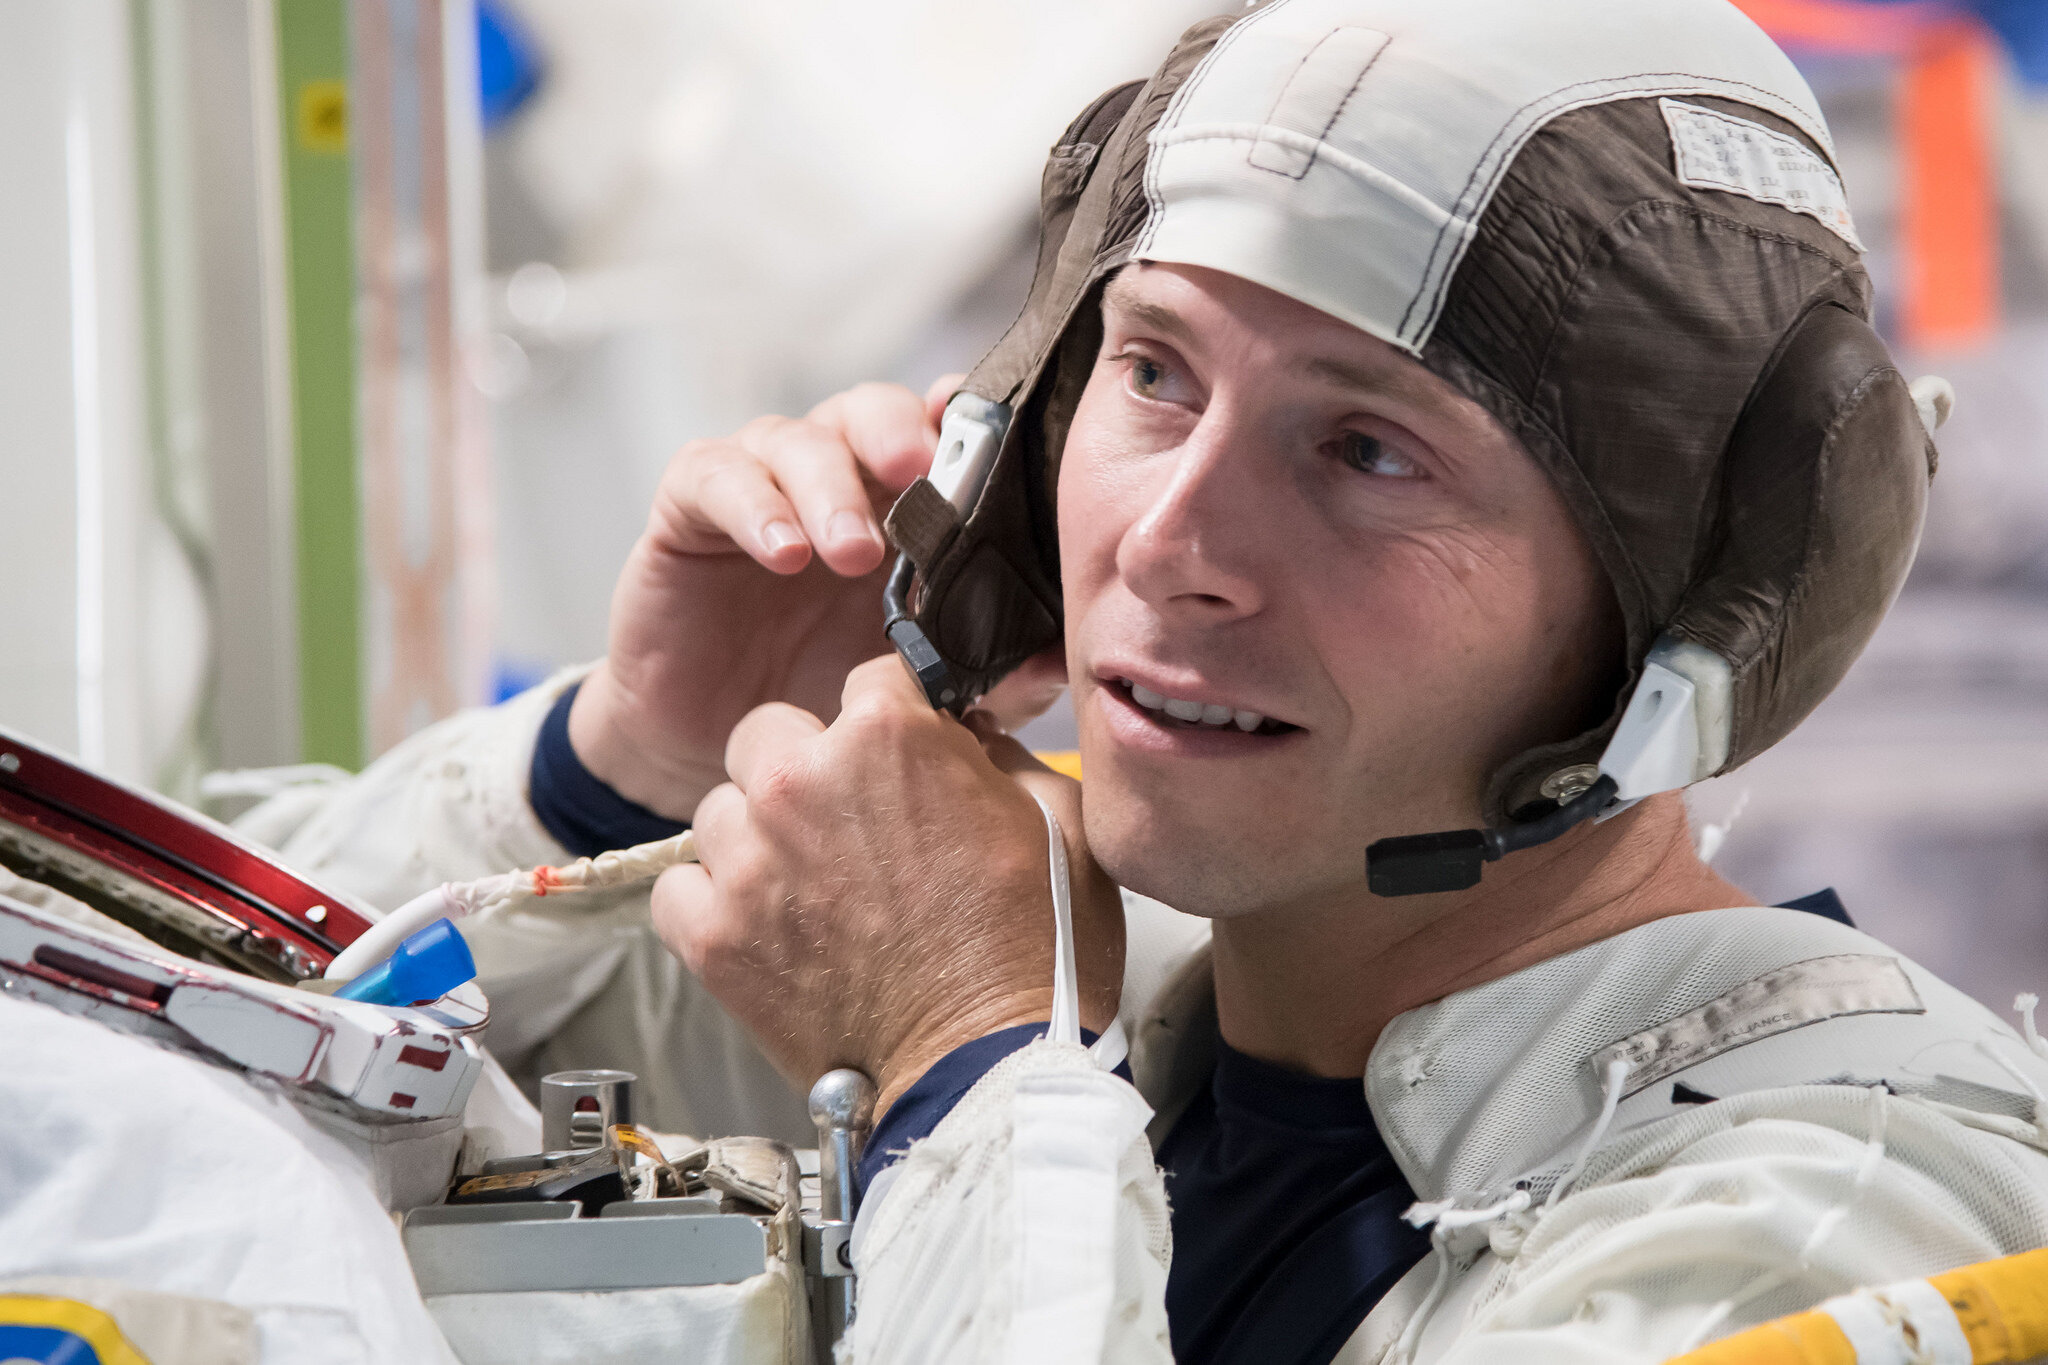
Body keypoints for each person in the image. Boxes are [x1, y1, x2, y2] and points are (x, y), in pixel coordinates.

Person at [255, 1, 2048, 1362]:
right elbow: (190, 1060)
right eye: (1155, 373)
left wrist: (972, 1077)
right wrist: (621, 765)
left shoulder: (1833, 1221)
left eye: (1368, 449)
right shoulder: (1133, 994)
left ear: (1689, 627)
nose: (1175, 538)